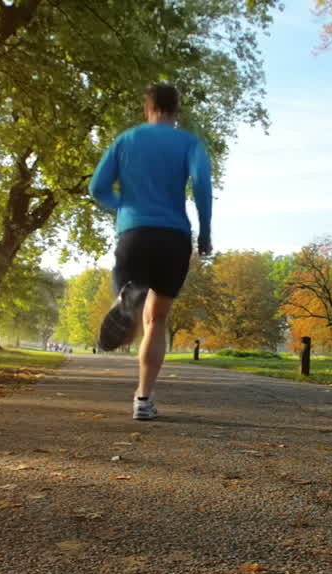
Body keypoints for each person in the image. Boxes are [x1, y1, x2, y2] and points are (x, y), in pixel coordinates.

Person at [89, 83, 213, 421]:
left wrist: (123, 207)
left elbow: (97, 187)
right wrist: (205, 233)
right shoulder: (190, 143)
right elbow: (202, 186)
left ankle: (127, 298)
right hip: (173, 238)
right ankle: (143, 400)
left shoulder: (127, 140)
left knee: (137, 299)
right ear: (177, 110)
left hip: (135, 234)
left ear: (148, 108)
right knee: (157, 320)